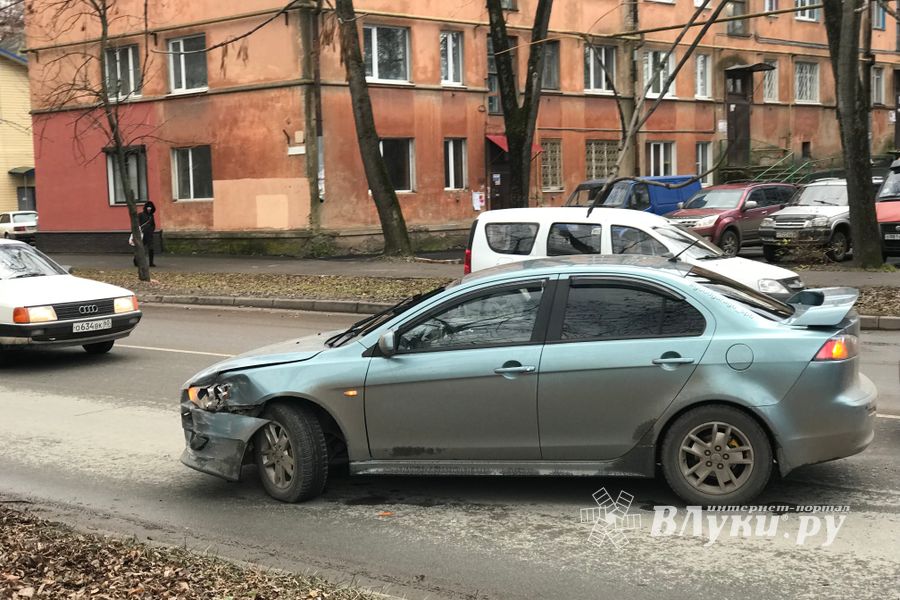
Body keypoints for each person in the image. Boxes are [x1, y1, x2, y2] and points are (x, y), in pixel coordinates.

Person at [134, 201, 157, 267]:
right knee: (140, 248)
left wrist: (152, 230)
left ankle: (151, 263)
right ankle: (136, 260)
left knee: (151, 248)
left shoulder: (151, 216)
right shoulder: (141, 215)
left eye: (150, 207)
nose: (149, 208)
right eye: (148, 207)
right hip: (142, 235)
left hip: (149, 235)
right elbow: (137, 224)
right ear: (146, 208)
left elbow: (153, 224)